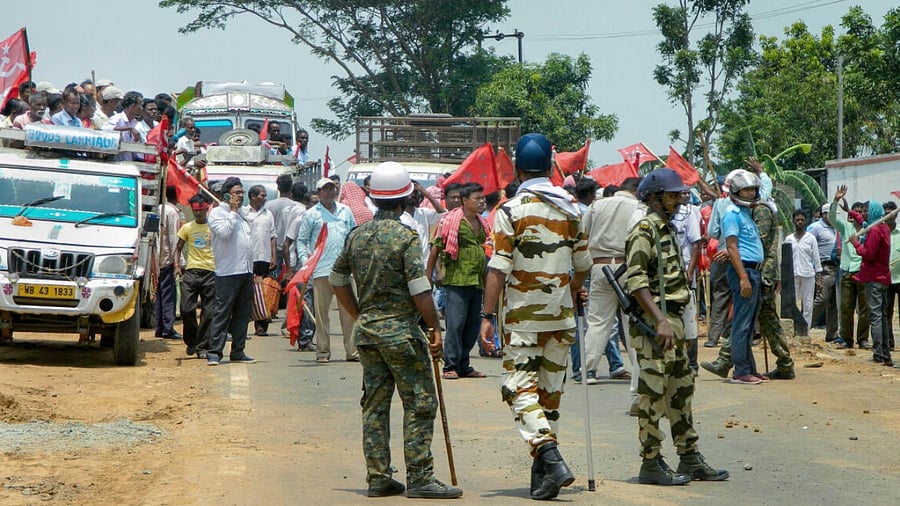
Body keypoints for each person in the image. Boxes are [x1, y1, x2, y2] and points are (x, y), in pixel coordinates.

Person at [330, 161, 463, 499]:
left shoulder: (356, 235)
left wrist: (360, 314)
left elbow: (337, 280)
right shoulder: (405, 237)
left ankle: (378, 477)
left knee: (375, 406)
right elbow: (420, 289)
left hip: (370, 333)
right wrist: (434, 326)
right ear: (406, 199)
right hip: (401, 333)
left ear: (374, 199)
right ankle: (420, 477)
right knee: (419, 403)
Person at [479, 133, 591, 500]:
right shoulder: (573, 209)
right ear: (548, 167)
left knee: (518, 389)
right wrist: (570, 292)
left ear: (517, 167)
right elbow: (582, 266)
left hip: (524, 319)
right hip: (561, 317)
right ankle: (543, 475)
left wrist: (486, 316)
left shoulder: (509, 211)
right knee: (549, 398)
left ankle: (551, 458)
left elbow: (498, 268)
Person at [625, 168, 729, 485]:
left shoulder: (666, 228)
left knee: (681, 391)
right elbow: (637, 282)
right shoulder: (644, 230)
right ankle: (651, 462)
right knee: (653, 394)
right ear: (654, 198)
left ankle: (689, 455)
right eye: (672, 195)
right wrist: (659, 321)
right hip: (658, 322)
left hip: (675, 318)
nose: (679, 200)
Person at [701, 194, 796, 380]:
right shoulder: (747, 211)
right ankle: (782, 363)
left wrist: (731, 253)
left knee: (747, 319)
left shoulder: (760, 210)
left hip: (762, 272)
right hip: (761, 271)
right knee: (756, 319)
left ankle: (727, 361)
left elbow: (756, 241)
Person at [581, 177, 641, 397]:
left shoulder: (597, 205)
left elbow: (582, 234)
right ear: (636, 190)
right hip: (627, 266)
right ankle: (640, 370)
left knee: (597, 320)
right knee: (632, 321)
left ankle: (588, 369)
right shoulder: (638, 207)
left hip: (599, 266)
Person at [426, 182, 488, 380]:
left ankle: (464, 365)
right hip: (457, 280)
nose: (481, 201)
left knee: (472, 325)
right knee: (455, 325)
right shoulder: (450, 221)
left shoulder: (482, 223)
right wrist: (431, 274)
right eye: (477, 198)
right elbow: (436, 247)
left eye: (482, 198)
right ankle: (450, 365)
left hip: (476, 281)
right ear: (464, 201)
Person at [296, 177, 358, 363]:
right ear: (319, 193)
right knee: (322, 315)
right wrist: (307, 263)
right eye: (325, 189)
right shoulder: (312, 214)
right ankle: (323, 352)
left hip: (345, 270)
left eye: (332, 189)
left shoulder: (345, 211)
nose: (330, 193)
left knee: (350, 313)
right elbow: (302, 241)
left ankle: (352, 351)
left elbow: (354, 236)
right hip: (321, 269)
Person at [719, 169, 767, 384]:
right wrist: (743, 277)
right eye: (745, 190)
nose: (750, 193)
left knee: (749, 322)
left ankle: (750, 368)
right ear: (737, 191)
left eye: (752, 189)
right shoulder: (732, 214)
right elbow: (731, 247)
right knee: (742, 323)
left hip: (754, 270)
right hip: (744, 270)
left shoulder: (747, 214)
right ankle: (741, 370)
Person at [206, 177, 256, 365]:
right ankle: (214, 353)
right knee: (222, 313)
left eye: (242, 193)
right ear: (226, 194)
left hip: (245, 270)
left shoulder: (243, 214)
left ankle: (238, 351)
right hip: (227, 272)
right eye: (236, 193)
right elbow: (225, 233)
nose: (240, 197)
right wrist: (233, 212)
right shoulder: (217, 214)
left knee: (243, 313)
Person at [849, 200, 894, 367]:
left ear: (874, 211)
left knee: (875, 317)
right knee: (882, 316)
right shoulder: (883, 227)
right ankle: (885, 352)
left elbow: (868, 254)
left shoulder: (875, 231)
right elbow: (863, 222)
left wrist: (855, 244)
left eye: (867, 210)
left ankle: (879, 353)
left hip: (874, 279)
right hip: (883, 278)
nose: (864, 213)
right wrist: (850, 211)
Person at [175, 194, 216, 358]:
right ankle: (192, 340)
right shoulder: (187, 228)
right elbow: (178, 248)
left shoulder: (214, 228)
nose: (198, 213)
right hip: (191, 271)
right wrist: (177, 265)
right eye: (195, 210)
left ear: (207, 209)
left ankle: (202, 346)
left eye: (201, 210)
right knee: (186, 309)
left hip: (211, 272)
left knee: (209, 312)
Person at [830, 186, 870, 349]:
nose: (858, 214)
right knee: (846, 308)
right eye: (855, 211)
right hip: (847, 271)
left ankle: (863, 339)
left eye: (860, 211)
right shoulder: (846, 227)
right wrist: (836, 200)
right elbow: (832, 219)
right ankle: (847, 339)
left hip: (864, 271)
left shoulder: (868, 228)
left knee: (865, 308)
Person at [783, 209, 822, 334]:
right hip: (793, 274)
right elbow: (785, 258)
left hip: (808, 274)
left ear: (805, 222)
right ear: (793, 221)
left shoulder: (811, 238)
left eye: (802, 220)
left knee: (808, 304)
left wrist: (819, 278)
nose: (799, 222)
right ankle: (794, 329)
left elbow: (816, 258)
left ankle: (806, 331)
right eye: (797, 220)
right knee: (792, 302)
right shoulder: (788, 239)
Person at [245, 185, 277, 336]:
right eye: (262, 195)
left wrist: (273, 256)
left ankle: (261, 325)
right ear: (253, 196)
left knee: (263, 292)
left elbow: (273, 236)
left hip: (263, 258)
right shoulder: (244, 213)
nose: (264, 198)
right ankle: (242, 324)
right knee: (246, 293)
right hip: (247, 258)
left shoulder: (268, 214)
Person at [807, 204, 839, 342]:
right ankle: (805, 327)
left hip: (837, 266)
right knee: (821, 299)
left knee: (834, 303)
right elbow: (807, 244)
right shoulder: (815, 228)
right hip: (824, 267)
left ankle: (832, 334)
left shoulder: (837, 227)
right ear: (824, 214)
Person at [155, 186, 182, 340]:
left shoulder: (158, 209)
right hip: (167, 259)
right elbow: (174, 239)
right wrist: (178, 262)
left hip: (157, 258)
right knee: (168, 295)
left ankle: (160, 327)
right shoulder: (172, 212)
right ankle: (167, 328)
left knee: (160, 294)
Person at [101, 91, 144, 161]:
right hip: (115, 163)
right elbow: (105, 130)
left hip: (130, 164)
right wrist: (129, 128)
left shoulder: (136, 123)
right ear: (133, 106)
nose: (142, 108)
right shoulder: (117, 118)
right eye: (140, 105)